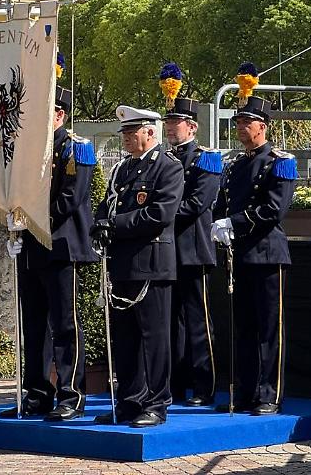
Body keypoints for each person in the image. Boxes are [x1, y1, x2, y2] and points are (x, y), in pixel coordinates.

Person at [0, 85, 97, 421]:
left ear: (59, 114)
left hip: (60, 245)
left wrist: (30, 221)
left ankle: (72, 393)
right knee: (35, 325)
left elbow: (70, 198)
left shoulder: (75, 149)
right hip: (33, 248)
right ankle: (38, 393)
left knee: (65, 323)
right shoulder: (28, 151)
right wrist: (16, 227)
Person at [91, 106, 183, 427]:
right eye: (125, 134)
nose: (127, 139)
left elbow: (160, 214)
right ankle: (130, 401)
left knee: (154, 338)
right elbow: (108, 204)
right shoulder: (120, 169)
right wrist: (99, 223)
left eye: (133, 133)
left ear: (150, 133)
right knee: (126, 338)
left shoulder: (167, 167)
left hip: (151, 264)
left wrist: (113, 224)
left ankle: (156, 403)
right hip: (123, 264)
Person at [211, 95, 296, 416]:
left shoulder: (279, 161)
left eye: (247, 123)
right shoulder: (234, 164)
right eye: (238, 123)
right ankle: (245, 391)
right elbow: (224, 202)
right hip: (241, 255)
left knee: (269, 328)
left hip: (267, 253)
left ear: (263, 126)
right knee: (243, 328)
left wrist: (233, 222)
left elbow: (274, 209)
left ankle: (269, 394)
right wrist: (217, 223)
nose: (241, 128)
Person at [164, 97, 220, 407]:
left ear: (192, 127)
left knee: (199, 320)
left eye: (176, 123)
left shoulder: (206, 159)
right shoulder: (163, 158)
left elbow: (198, 204)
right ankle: (175, 384)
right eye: (168, 123)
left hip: (194, 247)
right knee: (172, 321)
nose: (170, 128)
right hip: (169, 249)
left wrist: (161, 214)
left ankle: (204, 385)